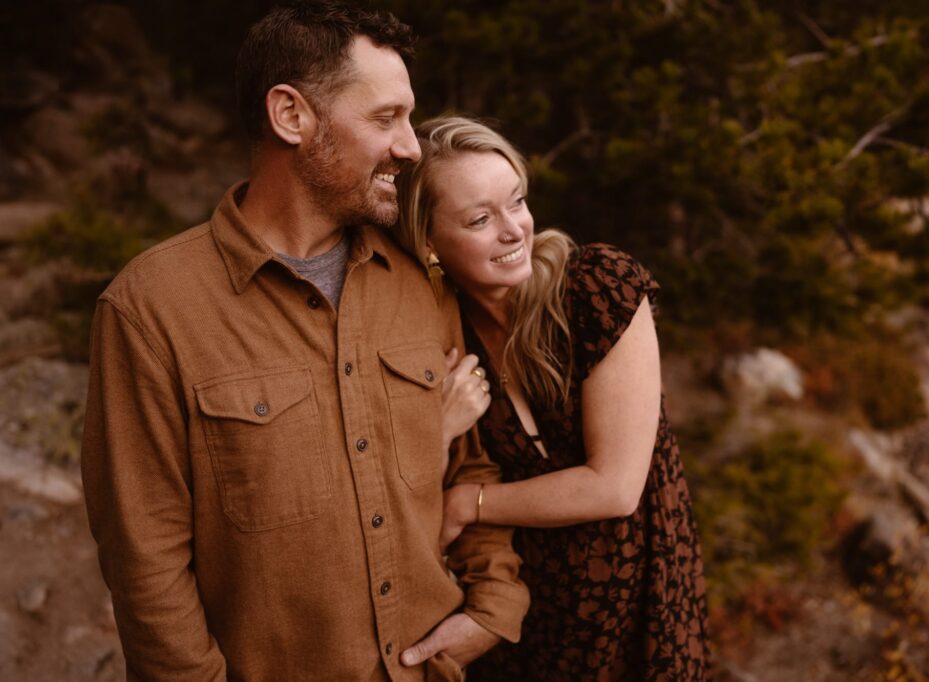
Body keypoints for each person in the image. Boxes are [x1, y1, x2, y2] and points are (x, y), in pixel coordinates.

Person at [79, 5, 528, 680]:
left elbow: (470, 466)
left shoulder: (419, 282)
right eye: (385, 119)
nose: (410, 147)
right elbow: (145, 559)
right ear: (291, 116)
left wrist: (492, 607)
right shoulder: (151, 310)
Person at [395, 116, 710, 681]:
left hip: (643, 612)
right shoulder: (441, 340)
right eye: (480, 219)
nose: (514, 230)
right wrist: (439, 432)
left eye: (515, 202)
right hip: (528, 628)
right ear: (428, 242)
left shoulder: (596, 288)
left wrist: (473, 502)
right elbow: (422, 489)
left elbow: (614, 487)